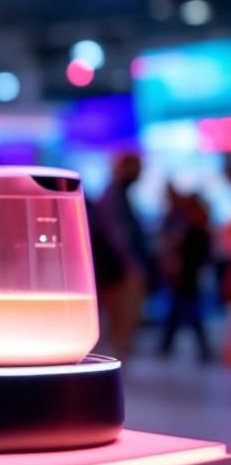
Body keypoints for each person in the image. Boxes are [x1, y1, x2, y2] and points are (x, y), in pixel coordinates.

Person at [93, 153, 158, 360]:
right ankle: (117, 361)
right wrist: (132, 264)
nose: (139, 173)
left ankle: (119, 359)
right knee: (121, 319)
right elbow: (117, 235)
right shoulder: (114, 195)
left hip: (118, 269)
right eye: (136, 168)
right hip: (117, 271)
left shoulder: (119, 194)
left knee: (123, 322)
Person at [158, 187, 211, 361]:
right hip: (188, 277)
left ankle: (202, 349)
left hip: (188, 276)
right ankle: (201, 349)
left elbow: (194, 255)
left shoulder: (196, 230)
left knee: (188, 314)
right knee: (183, 313)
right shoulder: (195, 228)